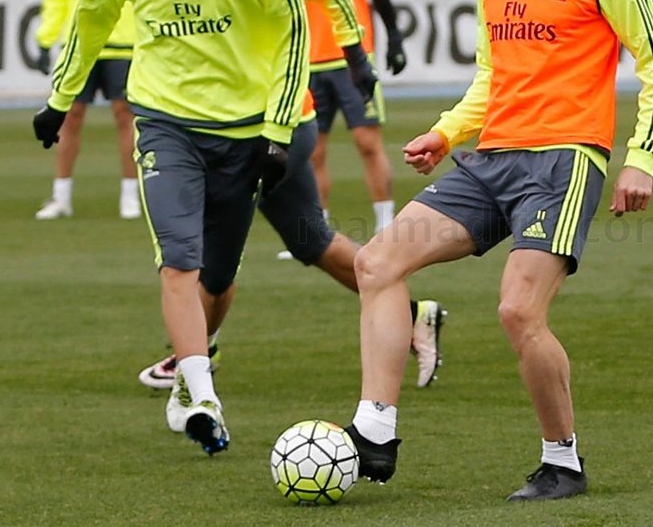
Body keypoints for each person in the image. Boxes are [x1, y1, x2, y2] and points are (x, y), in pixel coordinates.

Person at [341, 0, 653, 502]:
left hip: (563, 161)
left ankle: (563, 461)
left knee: (518, 311)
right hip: (490, 158)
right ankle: (375, 428)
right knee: (375, 261)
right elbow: (493, 73)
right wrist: (445, 131)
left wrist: (640, 158)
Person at [32, 0, 378, 456]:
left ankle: (402, 302)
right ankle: (198, 393)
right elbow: (88, 24)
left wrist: (281, 126)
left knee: (281, 249)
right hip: (167, 126)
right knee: (181, 262)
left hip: (250, 132)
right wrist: (60, 102)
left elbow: (297, 27)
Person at [137, 87, 449, 393]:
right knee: (310, 239)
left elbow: (291, 48)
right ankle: (412, 315)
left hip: (258, 129)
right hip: (274, 122)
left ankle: (194, 358)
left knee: (216, 263)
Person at [276, 0, 408, 235]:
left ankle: (386, 227)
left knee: (368, 142)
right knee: (312, 152)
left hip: (351, 60)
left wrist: (394, 36)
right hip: (303, 64)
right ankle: (319, 231)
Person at [34, 0, 139, 220]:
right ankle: (61, 195)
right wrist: (45, 39)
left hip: (121, 41)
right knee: (68, 116)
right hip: (79, 44)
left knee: (126, 117)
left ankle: (130, 195)